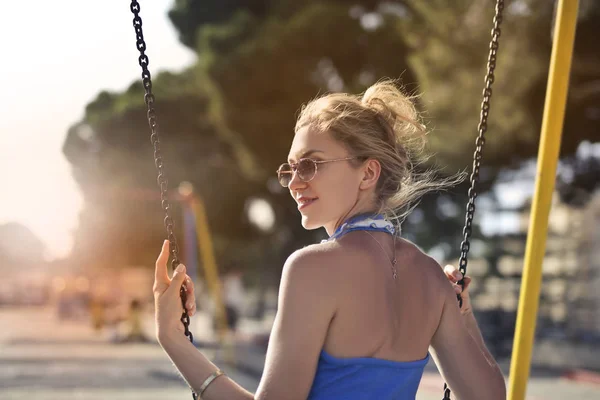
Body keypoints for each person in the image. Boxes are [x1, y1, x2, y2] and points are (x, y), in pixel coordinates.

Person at [152, 80, 507, 400]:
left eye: (311, 164)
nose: (294, 182)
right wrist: (465, 316)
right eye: (290, 169)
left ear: (367, 172)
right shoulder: (431, 276)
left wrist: (173, 339)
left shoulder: (312, 269)